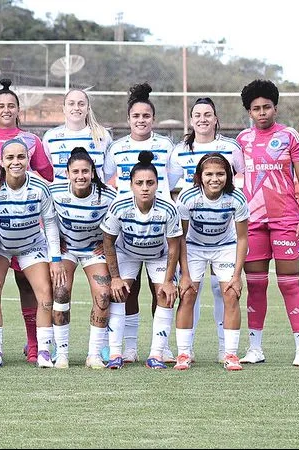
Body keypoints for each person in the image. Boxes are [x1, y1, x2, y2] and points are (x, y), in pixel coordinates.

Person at [0, 79, 54, 364]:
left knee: (29, 286)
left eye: (11, 105)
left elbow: (47, 173)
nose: (6, 110)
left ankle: (35, 345)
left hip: (26, 224)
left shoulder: (32, 140)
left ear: (19, 109)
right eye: (1, 106)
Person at [233, 79, 299, 366]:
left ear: (275, 108)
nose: (262, 112)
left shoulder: (290, 136)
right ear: (249, 112)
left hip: (285, 219)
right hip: (253, 221)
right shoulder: (242, 141)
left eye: (267, 107)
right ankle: (255, 348)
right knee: (255, 285)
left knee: (289, 283)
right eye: (256, 108)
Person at [103, 82, 179, 363]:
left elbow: (171, 181)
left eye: (146, 116)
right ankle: (129, 348)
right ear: (128, 120)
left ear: (153, 119)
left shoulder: (165, 145)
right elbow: (108, 180)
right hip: (126, 229)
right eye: (136, 116)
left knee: (159, 289)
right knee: (126, 290)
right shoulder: (117, 147)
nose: (141, 120)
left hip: (158, 228)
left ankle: (161, 347)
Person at [169, 97, 241, 362]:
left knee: (225, 291)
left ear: (215, 117)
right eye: (197, 114)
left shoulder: (230, 147)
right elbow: (168, 185)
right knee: (189, 291)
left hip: (224, 230)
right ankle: (186, 351)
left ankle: (227, 350)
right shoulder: (179, 151)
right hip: (193, 232)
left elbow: (241, 178)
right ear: (191, 119)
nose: (202, 119)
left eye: (207, 114)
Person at [175, 153, 249, 371]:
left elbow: (243, 237)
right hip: (194, 247)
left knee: (231, 294)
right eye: (209, 174)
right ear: (200, 176)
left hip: (224, 247)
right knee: (188, 294)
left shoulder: (237, 198)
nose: (214, 179)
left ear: (228, 176)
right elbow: (180, 236)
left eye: (220, 174)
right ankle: (184, 353)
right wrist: (185, 274)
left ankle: (231, 354)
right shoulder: (188, 198)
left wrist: (237, 276)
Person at [49, 147, 120, 369]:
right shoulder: (55, 191)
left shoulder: (107, 195)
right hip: (66, 248)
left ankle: (94, 354)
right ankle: (61, 354)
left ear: (92, 173)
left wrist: (107, 242)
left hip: (93, 250)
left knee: (103, 294)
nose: (81, 176)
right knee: (60, 292)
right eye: (76, 172)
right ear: (68, 173)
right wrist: (53, 244)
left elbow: (120, 221)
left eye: (85, 171)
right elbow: (43, 217)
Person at [43, 89, 112, 182]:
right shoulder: (51, 137)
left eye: (81, 104)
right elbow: (48, 171)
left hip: (95, 196)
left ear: (88, 109)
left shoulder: (102, 135)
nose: (76, 108)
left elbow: (107, 172)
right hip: (60, 196)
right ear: (63, 108)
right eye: (71, 104)